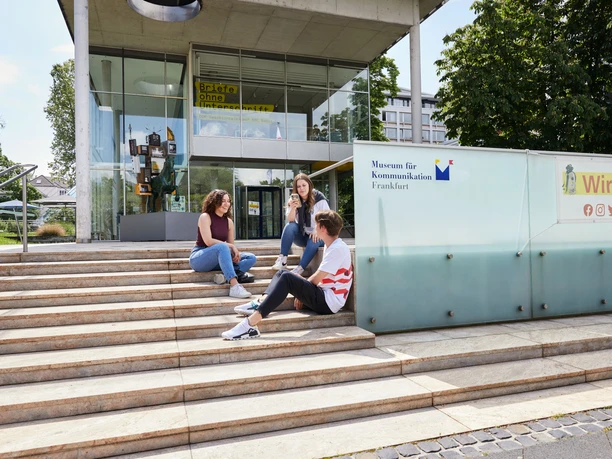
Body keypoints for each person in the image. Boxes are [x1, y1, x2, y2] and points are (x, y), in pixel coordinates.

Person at [222, 210, 352, 340]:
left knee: (287, 278)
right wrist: (302, 289)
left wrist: (302, 291)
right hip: (323, 294)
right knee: (282, 272)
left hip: (328, 303)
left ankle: (249, 325)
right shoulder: (332, 246)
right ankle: (260, 303)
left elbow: (317, 278)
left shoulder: (337, 249)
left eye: (316, 224)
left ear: (323, 228)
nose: (314, 227)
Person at [189, 189, 256, 299]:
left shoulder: (229, 221)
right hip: (199, 258)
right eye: (223, 201)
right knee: (223, 246)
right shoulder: (205, 217)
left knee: (251, 257)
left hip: (218, 259)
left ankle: (223, 276)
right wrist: (231, 246)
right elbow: (208, 241)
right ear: (215, 201)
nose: (226, 204)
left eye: (228, 201)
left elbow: (229, 248)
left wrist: (234, 253)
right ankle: (234, 286)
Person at [272, 173, 330, 276]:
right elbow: (290, 220)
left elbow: (328, 218)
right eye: (298, 186)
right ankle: (283, 259)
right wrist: (293, 207)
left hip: (319, 236)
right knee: (290, 226)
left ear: (309, 185)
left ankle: (300, 268)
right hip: (303, 236)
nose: (301, 189)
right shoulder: (295, 199)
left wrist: (317, 229)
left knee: (314, 238)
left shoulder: (319, 198)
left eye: (304, 185)